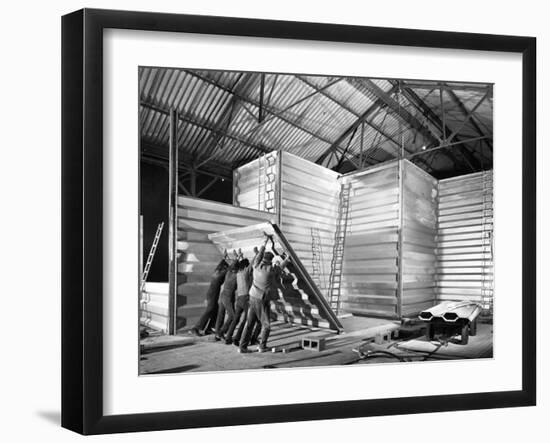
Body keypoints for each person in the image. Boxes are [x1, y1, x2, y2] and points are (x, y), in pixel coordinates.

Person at [239, 234, 290, 353]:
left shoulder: (256, 265)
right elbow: (280, 267)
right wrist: (287, 259)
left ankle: (242, 347)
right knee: (266, 325)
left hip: (252, 297)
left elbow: (259, 254)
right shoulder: (270, 270)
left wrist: (265, 242)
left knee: (249, 323)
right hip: (261, 300)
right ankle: (262, 346)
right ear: (270, 261)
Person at [188, 252, 229, 336]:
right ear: (224, 268)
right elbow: (230, 269)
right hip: (213, 294)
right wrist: (237, 259)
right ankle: (195, 328)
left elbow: (220, 265)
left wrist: (224, 258)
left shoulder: (216, 271)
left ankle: (209, 328)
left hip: (211, 294)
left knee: (215, 310)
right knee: (209, 311)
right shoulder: (221, 274)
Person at [224, 257, 252, 345]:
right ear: (245, 266)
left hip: (239, 299)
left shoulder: (237, 274)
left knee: (235, 319)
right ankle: (237, 338)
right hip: (246, 298)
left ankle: (228, 337)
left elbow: (231, 265)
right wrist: (258, 252)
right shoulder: (245, 272)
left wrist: (238, 256)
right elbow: (254, 262)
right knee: (245, 320)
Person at [214, 250, 240, 341]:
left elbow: (233, 264)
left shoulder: (229, 272)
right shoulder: (236, 275)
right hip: (228, 296)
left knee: (220, 314)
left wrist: (237, 257)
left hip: (223, 295)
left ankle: (217, 333)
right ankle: (221, 332)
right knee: (232, 316)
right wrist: (238, 257)